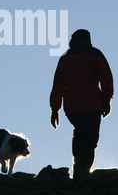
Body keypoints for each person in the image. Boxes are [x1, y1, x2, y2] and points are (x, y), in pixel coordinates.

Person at [49, 29, 114, 180]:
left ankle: (77, 166)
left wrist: (54, 109)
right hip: (93, 104)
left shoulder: (65, 57)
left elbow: (58, 85)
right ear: (88, 39)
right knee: (90, 138)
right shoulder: (94, 53)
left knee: (78, 133)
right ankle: (85, 170)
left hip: (72, 107)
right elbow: (106, 77)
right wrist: (107, 99)